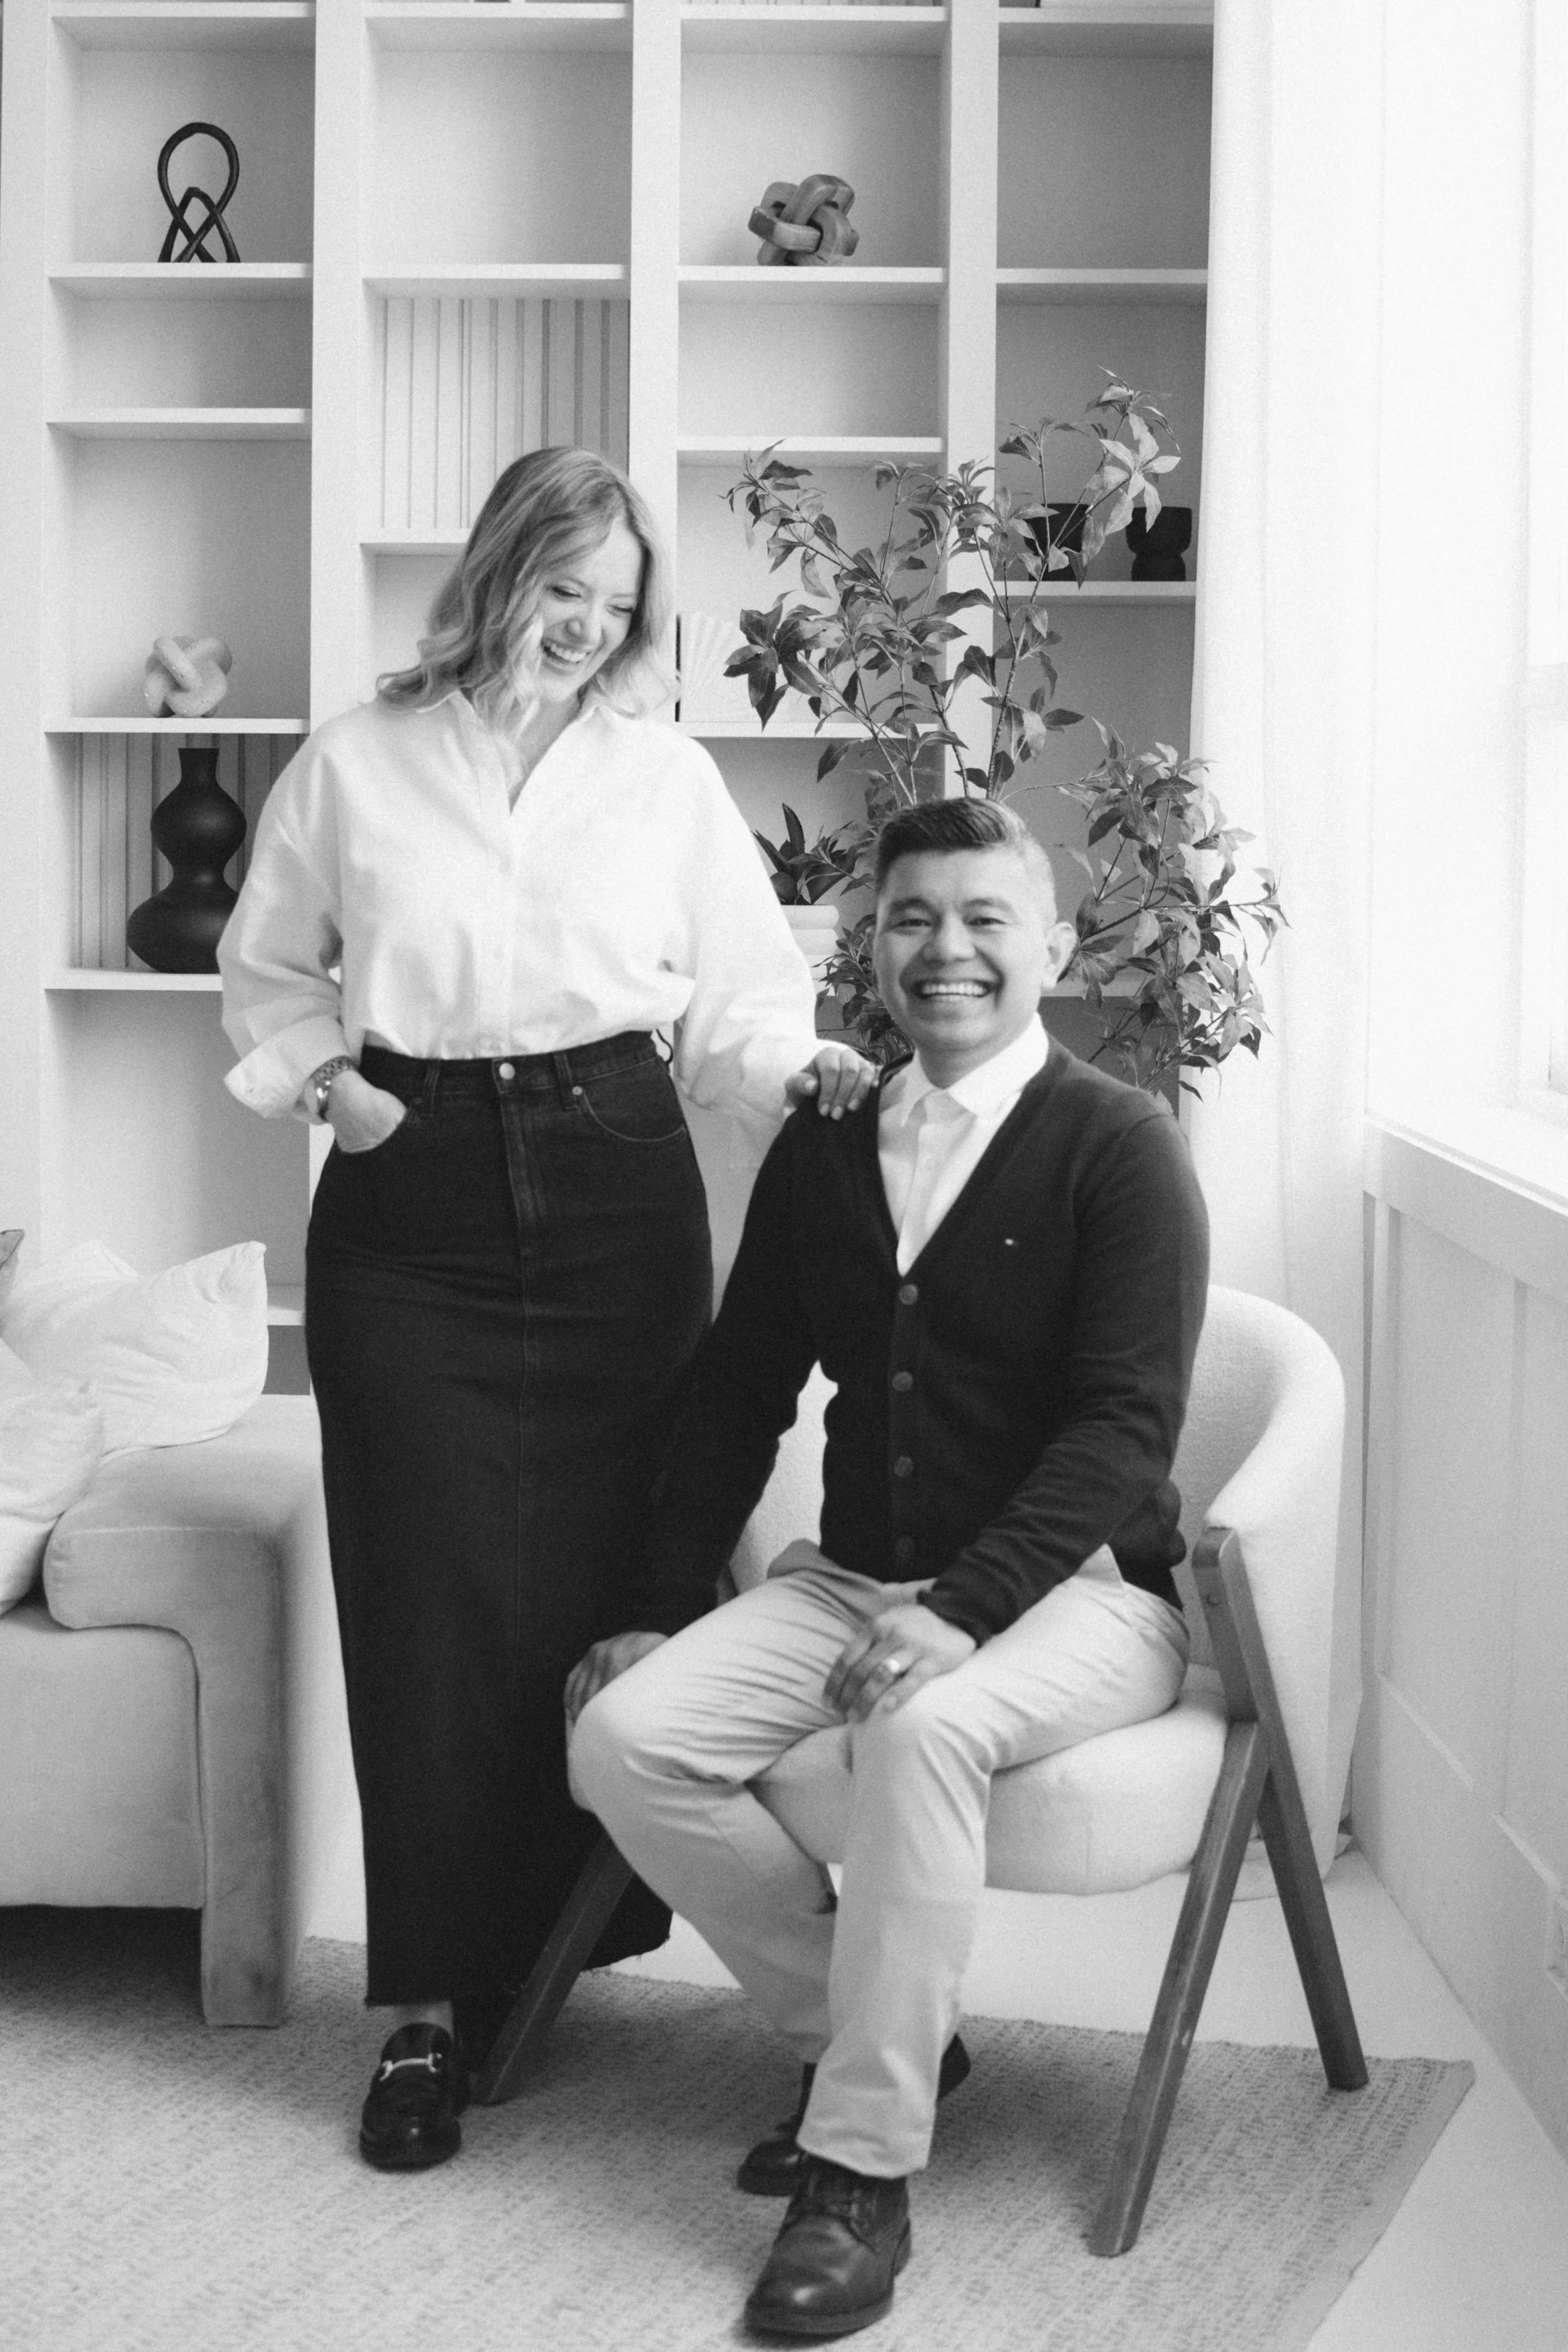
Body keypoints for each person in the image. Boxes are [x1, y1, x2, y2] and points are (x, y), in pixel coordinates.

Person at [218, 446, 872, 2175]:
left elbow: (735, 992)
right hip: (406, 1200)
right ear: (500, 574)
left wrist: (802, 1061)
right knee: (422, 1591)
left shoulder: (662, 774)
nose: (587, 625)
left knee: (614, 1574)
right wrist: (337, 1089)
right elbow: (268, 962)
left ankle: (564, 1949)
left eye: (616, 600)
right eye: (561, 586)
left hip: (613, 1176)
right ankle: (425, 2002)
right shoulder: (359, 754)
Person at [567, 795, 1209, 2339]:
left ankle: (858, 2171)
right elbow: (740, 1387)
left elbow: (1124, 1431)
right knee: (622, 1738)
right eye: (913, 917)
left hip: (1076, 1599)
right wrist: (656, 1607)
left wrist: (965, 1617)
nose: (947, 951)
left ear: (1048, 945)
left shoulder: (1119, 1149)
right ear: (870, 944)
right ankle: (881, 2037)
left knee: (919, 1724)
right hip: (851, 1577)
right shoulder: (831, 1138)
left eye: (985, 919)